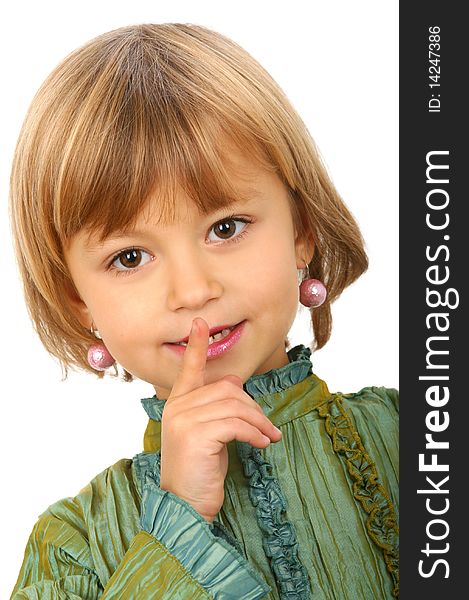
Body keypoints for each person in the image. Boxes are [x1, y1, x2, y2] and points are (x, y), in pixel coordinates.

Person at [9, 23, 399, 599]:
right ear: (77, 299)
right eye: (130, 256)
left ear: (303, 229)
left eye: (225, 227)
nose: (192, 290)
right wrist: (180, 522)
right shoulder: (72, 544)